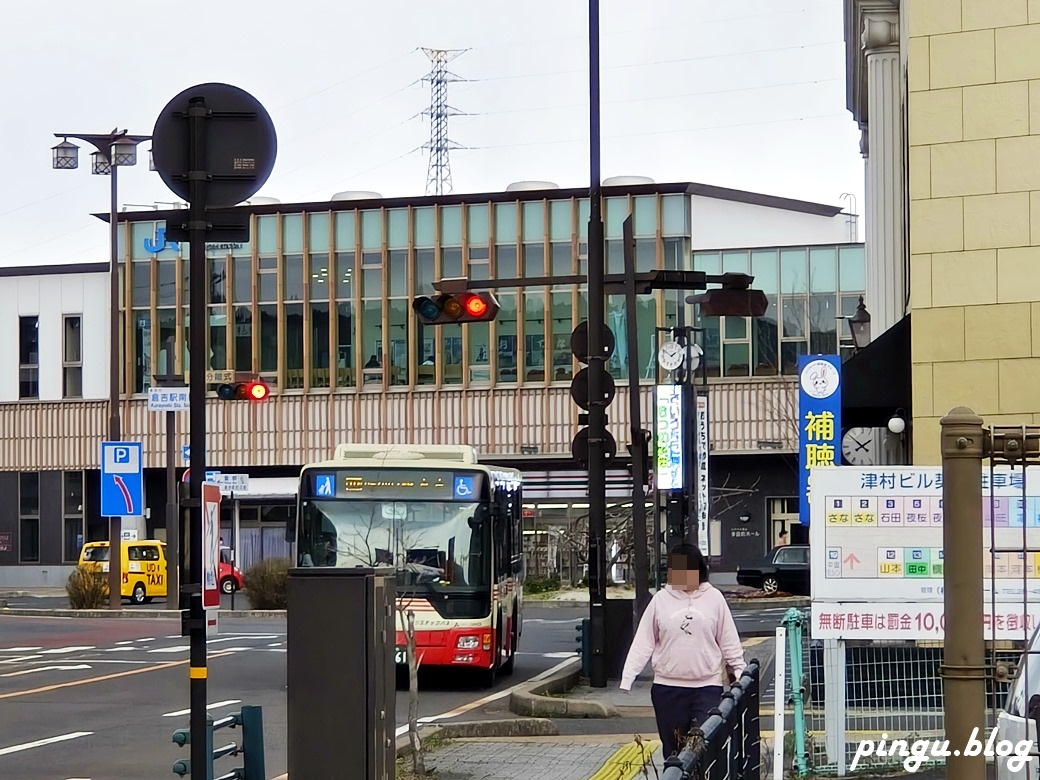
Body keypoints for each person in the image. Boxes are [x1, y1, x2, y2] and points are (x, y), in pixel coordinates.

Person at [619, 543, 746, 760]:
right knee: (675, 752)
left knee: (702, 749)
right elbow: (644, 641)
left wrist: (740, 672)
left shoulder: (714, 598)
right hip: (668, 689)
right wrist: (628, 676)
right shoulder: (660, 600)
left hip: (707, 687)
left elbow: (728, 639)